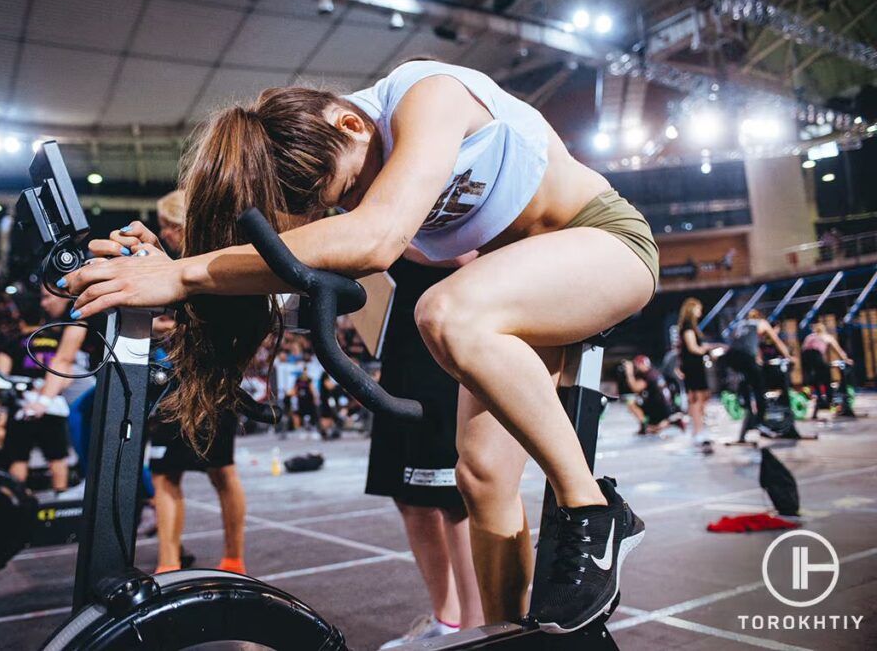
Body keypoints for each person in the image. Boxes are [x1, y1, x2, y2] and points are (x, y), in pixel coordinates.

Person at [62, 59, 659, 631]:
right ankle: (509, 633)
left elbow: (372, 241)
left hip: (602, 240)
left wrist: (186, 273)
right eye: (339, 204)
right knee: (479, 477)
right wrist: (174, 273)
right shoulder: (360, 172)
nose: (353, 204)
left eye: (350, 188)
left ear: (349, 123)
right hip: (520, 285)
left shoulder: (425, 92)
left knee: (446, 311)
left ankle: (592, 509)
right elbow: (292, 272)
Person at [367, 255, 483, 647]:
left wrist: (390, 237)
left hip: (444, 346)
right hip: (399, 348)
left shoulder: (422, 202)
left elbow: (471, 250)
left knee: (456, 499)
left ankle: (474, 630)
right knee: (409, 497)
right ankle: (447, 621)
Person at [147, 190, 248, 575]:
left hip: (211, 379)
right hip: (172, 381)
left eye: (166, 228)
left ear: (180, 225)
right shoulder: (179, 265)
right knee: (164, 472)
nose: (164, 235)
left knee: (221, 471)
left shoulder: (219, 259)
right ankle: (167, 565)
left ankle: (234, 559)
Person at [0, 287, 76, 492]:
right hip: (52, 406)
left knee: (19, 458)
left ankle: (16, 501)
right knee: (57, 458)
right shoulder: (57, 340)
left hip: (22, 407)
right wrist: (46, 394)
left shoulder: (13, 343)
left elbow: (1, 377)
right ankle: (60, 501)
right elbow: (66, 377)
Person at [725, 309, 793, 426]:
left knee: (747, 380)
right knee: (759, 386)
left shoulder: (741, 324)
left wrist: (757, 360)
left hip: (731, 356)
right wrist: (788, 356)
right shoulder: (762, 323)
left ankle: (748, 411)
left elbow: (745, 344)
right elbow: (776, 341)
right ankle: (760, 420)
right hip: (745, 357)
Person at [676, 299, 714, 450]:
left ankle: (698, 430)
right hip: (693, 367)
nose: (700, 312)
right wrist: (706, 348)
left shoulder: (690, 328)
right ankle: (698, 431)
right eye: (698, 309)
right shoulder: (688, 328)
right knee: (697, 400)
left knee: (700, 398)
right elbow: (693, 348)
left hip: (694, 366)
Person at [621, 356, 684, 436]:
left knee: (631, 402)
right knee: (655, 428)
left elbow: (635, 388)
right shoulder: (655, 373)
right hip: (666, 407)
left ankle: (646, 425)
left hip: (658, 408)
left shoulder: (648, 375)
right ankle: (668, 422)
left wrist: (629, 373)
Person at [801, 321, 853, 417]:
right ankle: (829, 399)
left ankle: (820, 398)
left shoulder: (809, 337)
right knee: (827, 379)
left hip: (808, 363)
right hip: (817, 358)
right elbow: (839, 351)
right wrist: (846, 359)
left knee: (816, 381)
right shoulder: (827, 337)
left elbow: (804, 350)